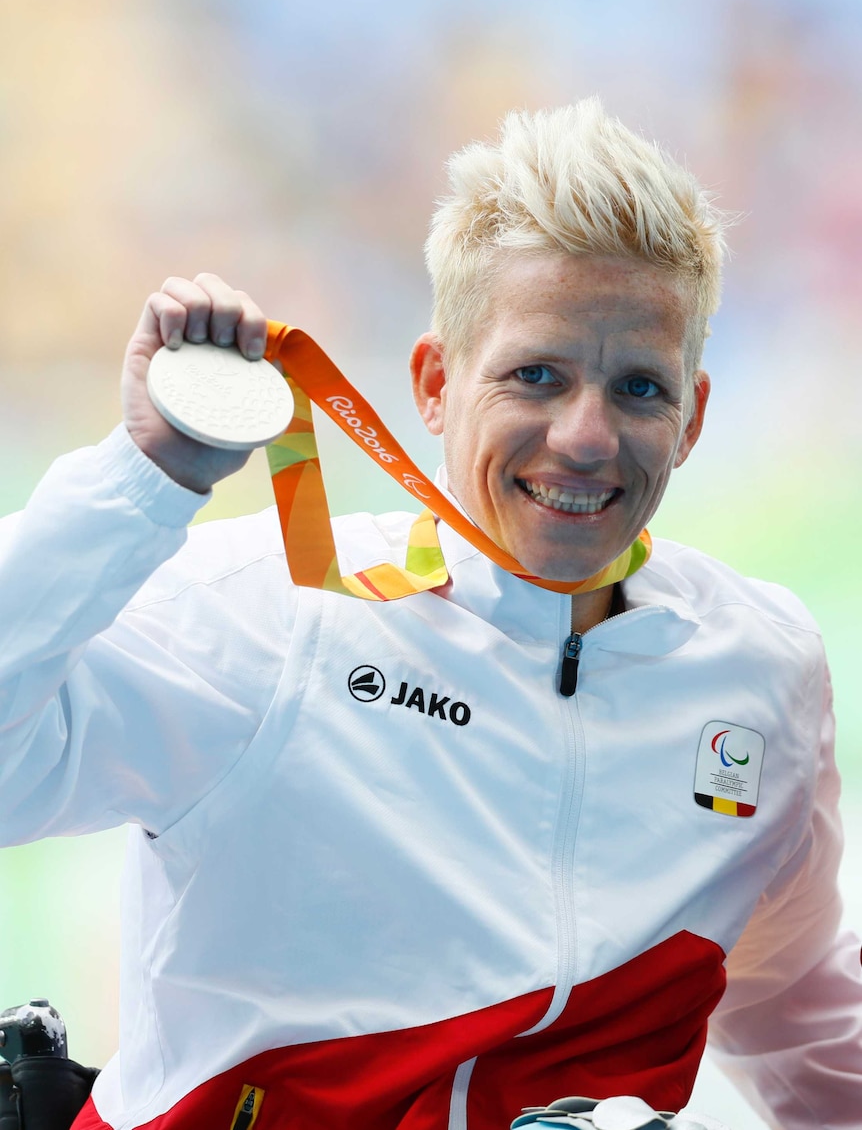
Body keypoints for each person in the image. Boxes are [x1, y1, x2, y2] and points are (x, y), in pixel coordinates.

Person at [0, 99, 860, 1130]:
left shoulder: (760, 668)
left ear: (693, 418)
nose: (586, 437)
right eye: (535, 376)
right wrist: (139, 480)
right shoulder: (265, 615)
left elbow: (802, 1014)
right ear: (435, 383)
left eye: (638, 389)